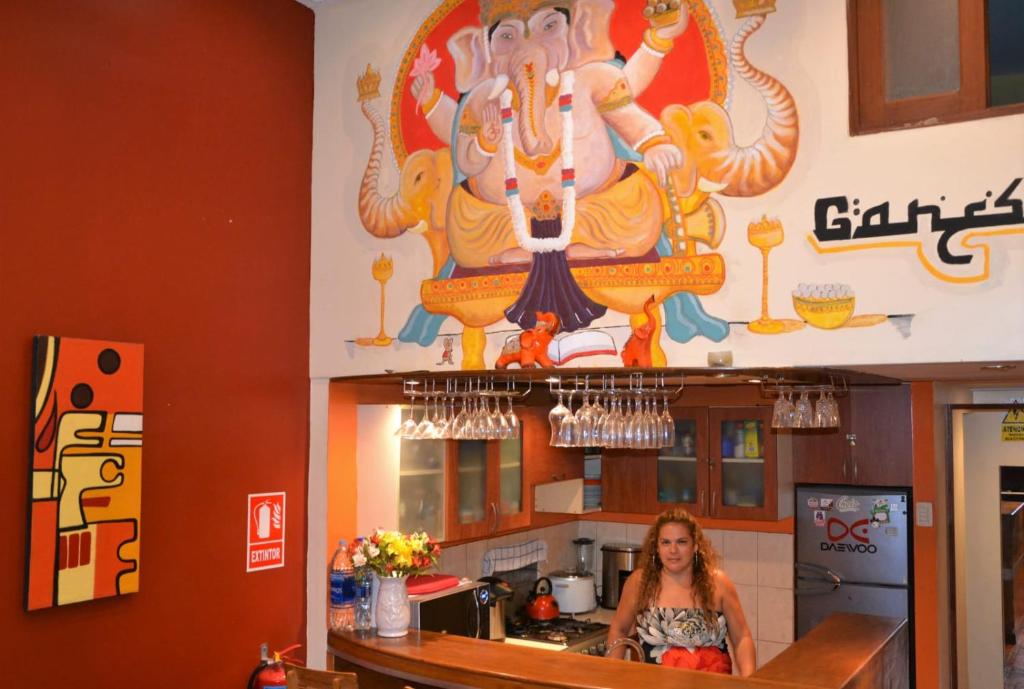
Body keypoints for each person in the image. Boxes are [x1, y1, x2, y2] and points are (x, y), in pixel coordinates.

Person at [607, 508, 755, 676]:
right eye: (666, 542)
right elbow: (619, 629)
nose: (673, 550)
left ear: (695, 546)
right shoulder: (639, 582)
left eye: (682, 542)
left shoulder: (719, 583)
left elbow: (742, 637)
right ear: (656, 547)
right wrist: (612, 676)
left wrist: (749, 681)